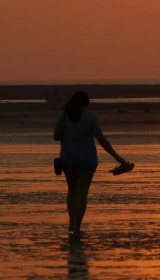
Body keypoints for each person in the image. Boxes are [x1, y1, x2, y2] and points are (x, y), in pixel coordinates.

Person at [53, 91, 130, 238]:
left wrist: (70, 133)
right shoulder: (91, 116)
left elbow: (56, 136)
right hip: (87, 158)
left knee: (72, 190)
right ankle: (77, 228)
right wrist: (119, 159)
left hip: (68, 157)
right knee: (82, 194)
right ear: (86, 104)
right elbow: (101, 140)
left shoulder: (63, 115)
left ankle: (71, 222)